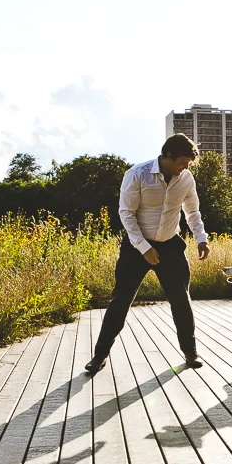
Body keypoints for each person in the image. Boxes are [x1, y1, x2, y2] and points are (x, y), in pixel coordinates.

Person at [85, 133, 210, 374]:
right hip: (136, 247)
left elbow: (192, 212)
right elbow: (126, 214)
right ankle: (99, 356)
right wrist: (144, 247)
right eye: (181, 162)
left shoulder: (186, 178)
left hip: (170, 245)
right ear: (168, 155)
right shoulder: (137, 174)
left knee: (181, 300)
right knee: (120, 302)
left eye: (187, 165)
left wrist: (201, 238)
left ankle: (190, 352)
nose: (184, 168)